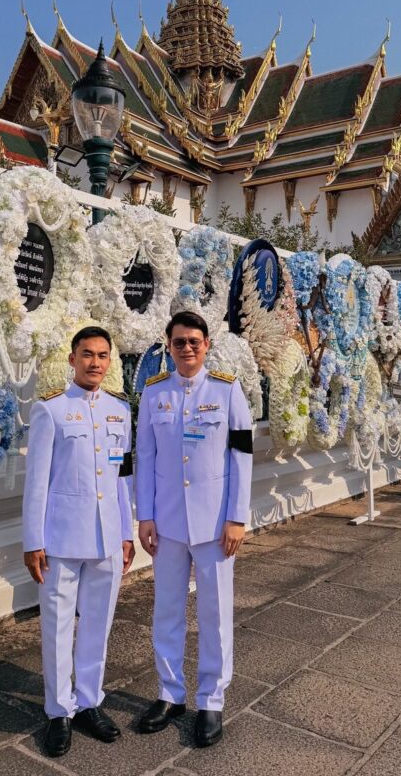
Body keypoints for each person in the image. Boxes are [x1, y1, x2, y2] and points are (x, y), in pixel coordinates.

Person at [135, 310, 253, 748]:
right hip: (167, 523)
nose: (187, 348)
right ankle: (170, 694)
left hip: (215, 524)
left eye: (194, 341)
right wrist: (145, 516)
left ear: (206, 345)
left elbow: (242, 455)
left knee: (214, 615)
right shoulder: (154, 393)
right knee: (166, 611)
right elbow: (145, 455)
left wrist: (237, 517)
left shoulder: (226, 389)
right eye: (179, 341)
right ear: (168, 347)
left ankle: (211, 700)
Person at [23, 325, 136, 758]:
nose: (95, 362)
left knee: (98, 625)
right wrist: (33, 541)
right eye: (87, 354)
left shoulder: (119, 410)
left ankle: (89, 701)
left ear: (110, 361)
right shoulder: (50, 409)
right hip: (61, 538)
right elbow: (37, 483)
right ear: (72, 359)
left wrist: (125, 532)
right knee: (57, 626)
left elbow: (121, 477)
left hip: (107, 537)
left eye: (102, 355)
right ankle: (58, 711)